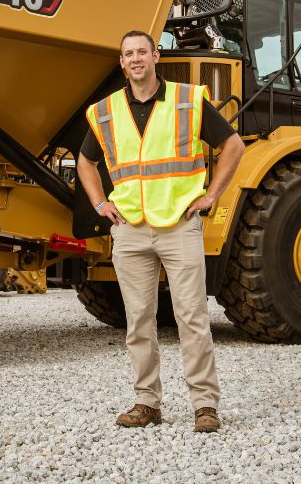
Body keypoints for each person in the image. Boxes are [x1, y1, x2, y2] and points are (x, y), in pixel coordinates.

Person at [77, 30, 245, 433]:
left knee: (192, 318)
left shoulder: (187, 100)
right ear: (121, 62)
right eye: (127, 54)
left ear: (155, 56)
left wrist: (211, 195)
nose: (135, 59)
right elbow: (85, 162)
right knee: (138, 321)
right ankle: (146, 402)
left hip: (179, 225)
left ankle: (204, 405)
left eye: (142, 52)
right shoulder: (105, 111)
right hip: (131, 228)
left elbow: (234, 147)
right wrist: (101, 204)